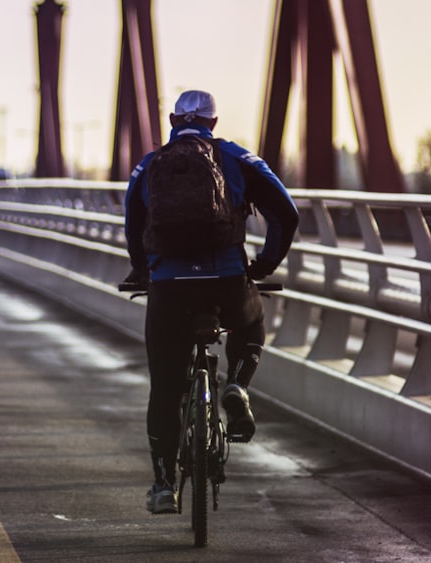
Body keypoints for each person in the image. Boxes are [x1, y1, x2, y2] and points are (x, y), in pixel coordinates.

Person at [123, 90, 299, 514]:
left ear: (171, 119)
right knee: (251, 321)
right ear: (213, 123)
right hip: (226, 279)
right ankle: (237, 384)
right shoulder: (239, 159)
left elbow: (132, 222)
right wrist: (264, 264)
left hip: (168, 285)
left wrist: (142, 270)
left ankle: (164, 485)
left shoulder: (148, 165)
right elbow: (286, 213)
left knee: (165, 388)